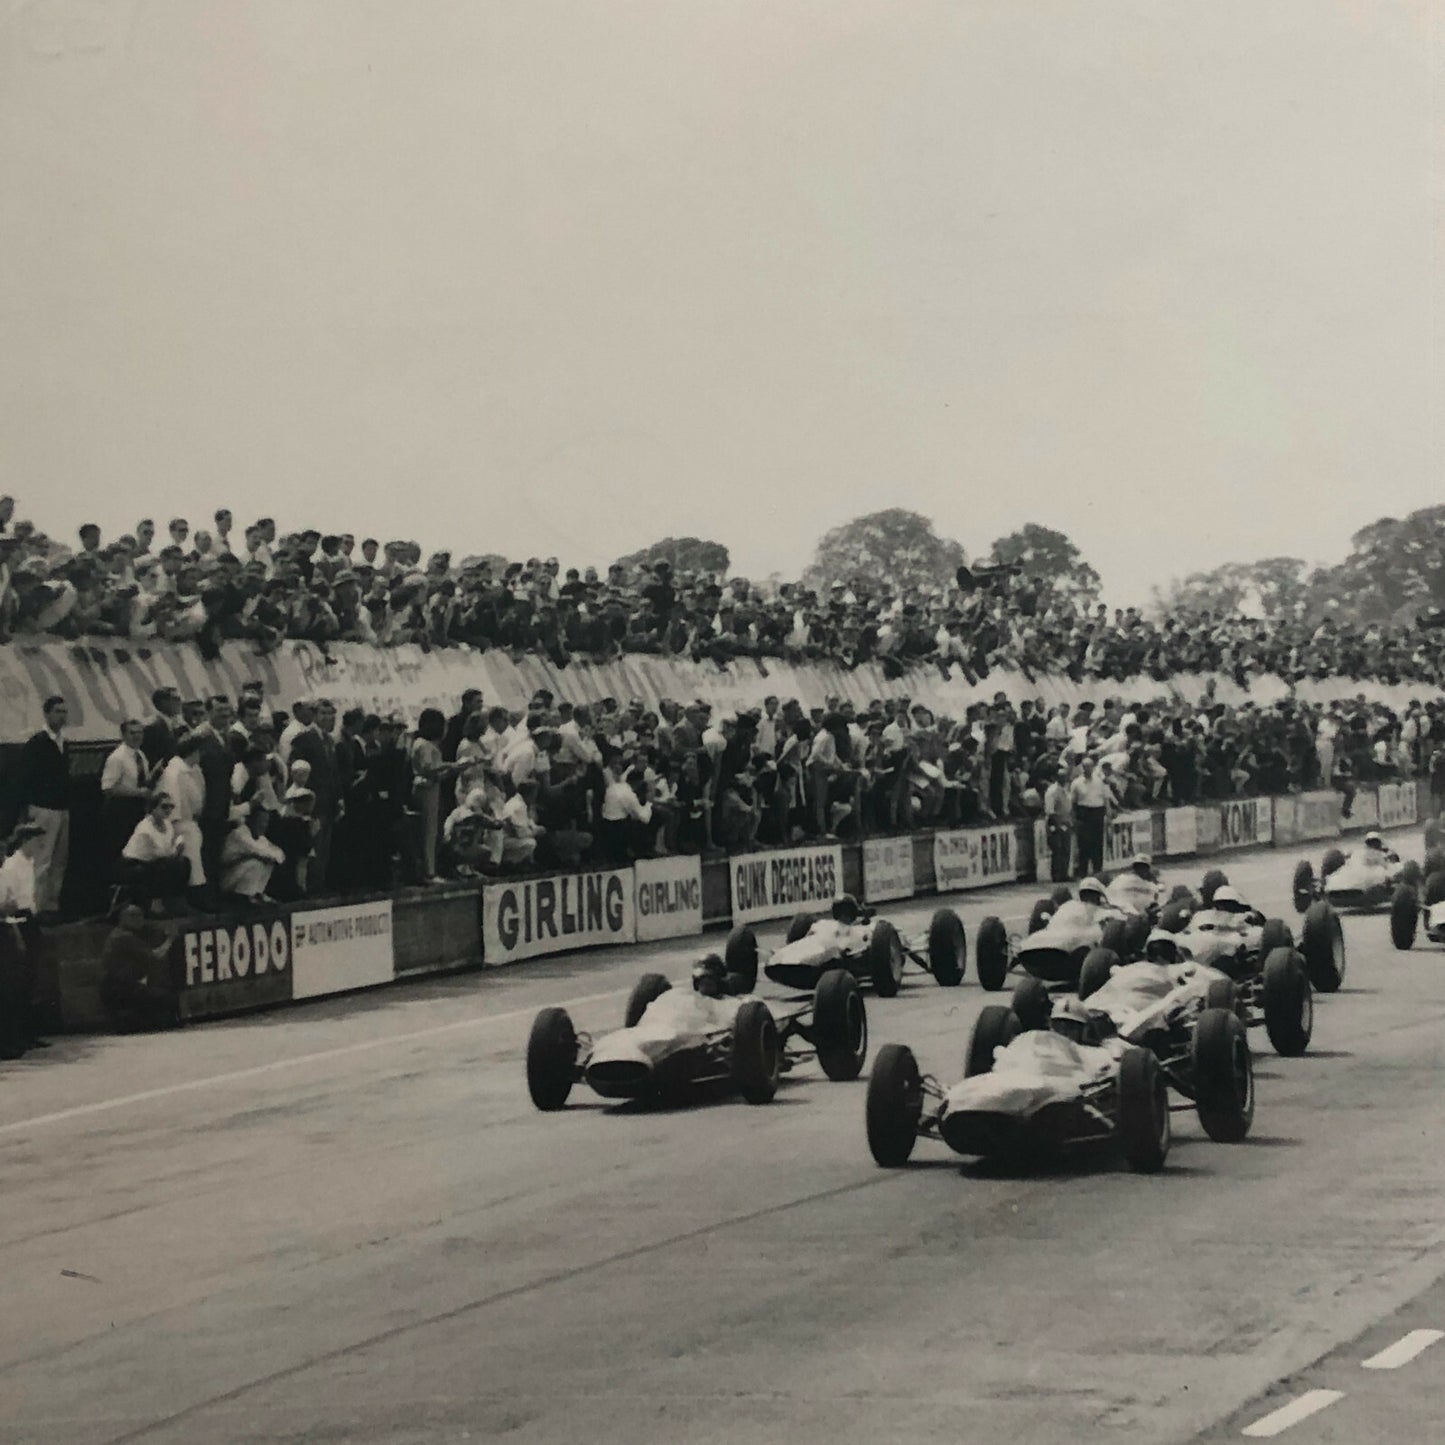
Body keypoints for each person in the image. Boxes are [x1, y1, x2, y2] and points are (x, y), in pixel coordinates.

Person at [15, 695, 71, 919]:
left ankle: (51, 906)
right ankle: (35, 909)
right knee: (42, 860)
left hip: (62, 808)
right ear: (47, 714)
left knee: (59, 860)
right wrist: (29, 808)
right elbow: (26, 778)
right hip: (43, 808)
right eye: (57, 711)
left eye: (64, 712)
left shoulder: (64, 742)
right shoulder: (37, 743)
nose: (62, 716)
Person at [98, 905, 178, 1032]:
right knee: (167, 998)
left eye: (140, 916)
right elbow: (156, 956)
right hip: (118, 988)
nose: (139, 920)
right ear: (122, 919)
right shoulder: (123, 937)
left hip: (118, 986)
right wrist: (170, 939)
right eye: (133, 916)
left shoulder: (121, 934)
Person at [119, 792, 190, 915]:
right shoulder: (145, 828)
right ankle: (155, 905)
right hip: (133, 865)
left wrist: (177, 847)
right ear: (153, 808)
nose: (168, 810)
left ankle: (176, 900)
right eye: (164, 806)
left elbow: (169, 845)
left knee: (184, 863)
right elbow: (158, 853)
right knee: (163, 867)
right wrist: (175, 850)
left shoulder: (167, 824)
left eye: (171, 806)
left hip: (155, 861)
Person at [1068, 756, 1109, 880]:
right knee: (1084, 843)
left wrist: (1108, 813)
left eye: (1090, 766)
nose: (1088, 769)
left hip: (1097, 811)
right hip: (1084, 812)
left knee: (1098, 842)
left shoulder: (1099, 781)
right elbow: (1073, 802)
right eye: (1085, 767)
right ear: (1082, 768)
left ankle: (1098, 870)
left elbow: (1105, 798)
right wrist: (1074, 817)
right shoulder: (1076, 783)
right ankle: (1083, 871)